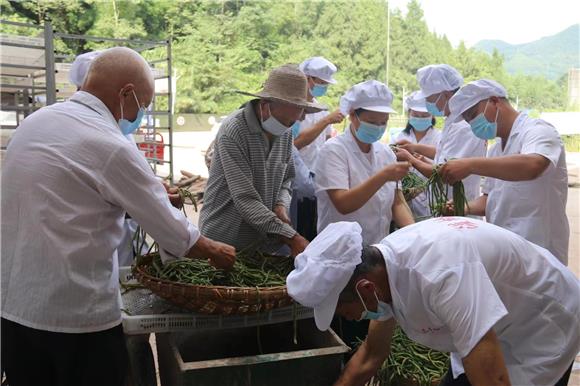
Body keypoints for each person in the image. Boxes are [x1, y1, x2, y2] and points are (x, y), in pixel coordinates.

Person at [1, 47, 235, 386]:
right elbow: (175, 233)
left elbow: (72, 196)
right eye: (144, 103)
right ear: (126, 93)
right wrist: (218, 252)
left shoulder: (37, 122)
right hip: (75, 318)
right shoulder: (111, 143)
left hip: (14, 310)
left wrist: (138, 196)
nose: (141, 114)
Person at [287, 219, 580, 386]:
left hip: (542, 321)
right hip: (495, 321)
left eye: (341, 309)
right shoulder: (385, 272)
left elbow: (492, 379)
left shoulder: (439, 274)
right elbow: (370, 356)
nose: (348, 318)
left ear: (365, 288)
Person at [199, 64, 325, 256]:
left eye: (293, 122)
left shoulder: (285, 132)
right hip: (225, 242)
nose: (287, 127)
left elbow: (287, 179)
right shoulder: (234, 131)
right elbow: (245, 199)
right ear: (265, 106)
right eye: (284, 121)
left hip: (265, 243)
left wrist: (281, 204)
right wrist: (292, 237)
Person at [439, 79, 569, 264]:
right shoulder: (496, 150)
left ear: (494, 101)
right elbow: (490, 199)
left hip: (539, 250)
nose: (472, 124)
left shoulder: (538, 131)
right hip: (505, 249)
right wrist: (464, 207)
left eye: (473, 115)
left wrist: (470, 165)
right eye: (468, 120)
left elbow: (533, 165)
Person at [314, 80, 414, 245]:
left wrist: (414, 234)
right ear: (353, 115)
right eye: (372, 122)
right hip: (340, 248)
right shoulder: (333, 150)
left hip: (377, 247)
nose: (378, 127)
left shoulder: (386, 153)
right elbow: (343, 204)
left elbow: (397, 202)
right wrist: (383, 176)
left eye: (383, 122)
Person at [396, 64, 486, 203]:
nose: (427, 104)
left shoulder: (463, 126)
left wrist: (411, 159)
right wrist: (415, 148)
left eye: (429, 99)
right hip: (443, 205)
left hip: (457, 208)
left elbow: (445, 172)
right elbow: (444, 153)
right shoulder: (451, 120)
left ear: (445, 94)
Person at [289, 57, 344, 241]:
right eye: (320, 82)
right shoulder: (290, 106)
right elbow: (294, 145)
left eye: (325, 84)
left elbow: (327, 140)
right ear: (306, 78)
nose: (323, 87)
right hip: (294, 182)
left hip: (315, 180)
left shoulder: (321, 108)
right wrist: (326, 120)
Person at [390, 91, 440, 218]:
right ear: (409, 114)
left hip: (432, 199)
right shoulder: (399, 138)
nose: (420, 118)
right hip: (404, 200)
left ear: (432, 116)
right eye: (416, 115)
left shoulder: (441, 138)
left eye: (424, 115)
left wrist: (414, 158)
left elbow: (443, 166)